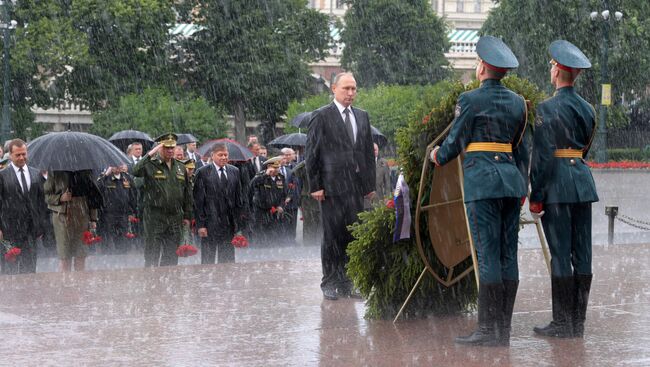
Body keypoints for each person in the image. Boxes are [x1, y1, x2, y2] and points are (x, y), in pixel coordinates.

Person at [429, 36, 528, 346]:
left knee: (486, 256)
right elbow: (519, 146)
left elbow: (454, 142)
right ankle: (503, 330)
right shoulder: (518, 102)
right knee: (507, 255)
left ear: (483, 67)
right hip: (511, 182)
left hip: (482, 182)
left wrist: (436, 155)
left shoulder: (470, 100)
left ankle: (487, 331)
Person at [529, 40, 598, 339]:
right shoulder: (588, 109)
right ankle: (577, 323)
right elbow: (584, 150)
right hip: (582, 184)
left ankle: (561, 323)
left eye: (551, 66)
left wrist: (536, 196)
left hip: (557, 186)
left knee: (560, 255)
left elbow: (543, 157)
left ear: (558, 71)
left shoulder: (546, 108)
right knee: (582, 254)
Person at [305, 72, 376, 301]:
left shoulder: (362, 116)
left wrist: (369, 185)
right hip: (331, 187)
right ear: (334, 88)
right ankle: (330, 281)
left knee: (352, 235)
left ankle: (348, 282)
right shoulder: (321, 116)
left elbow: (366, 153)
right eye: (346, 88)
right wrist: (315, 185)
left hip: (355, 188)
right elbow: (312, 153)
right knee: (332, 236)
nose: (351, 93)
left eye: (354, 88)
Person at [133, 133, 193, 267]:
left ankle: (169, 284)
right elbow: (135, 171)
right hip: (155, 217)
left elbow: (187, 193)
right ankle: (153, 285)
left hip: (175, 217)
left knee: (171, 257)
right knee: (152, 255)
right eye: (166, 147)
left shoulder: (181, 167)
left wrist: (188, 216)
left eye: (172, 148)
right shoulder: (150, 165)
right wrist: (150, 153)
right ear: (160, 148)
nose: (170, 151)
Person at [0, 139, 48, 274]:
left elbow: (41, 202)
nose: (22, 157)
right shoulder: (2, 176)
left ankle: (28, 294)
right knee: (10, 271)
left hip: (31, 231)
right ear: (10, 155)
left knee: (30, 269)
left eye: (24, 154)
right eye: (18, 155)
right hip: (9, 231)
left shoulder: (36, 173)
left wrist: (41, 224)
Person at [193, 143, 245, 264]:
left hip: (228, 223)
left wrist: (238, 225)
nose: (223, 157)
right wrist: (201, 225)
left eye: (226, 155)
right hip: (210, 222)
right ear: (213, 155)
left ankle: (226, 281)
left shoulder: (235, 171)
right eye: (220, 155)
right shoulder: (203, 172)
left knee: (227, 259)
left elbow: (238, 198)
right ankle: (208, 281)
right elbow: (198, 201)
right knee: (208, 260)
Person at [45, 170, 103, 272]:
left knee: (81, 253)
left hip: (82, 214)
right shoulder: (55, 171)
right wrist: (60, 198)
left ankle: (79, 283)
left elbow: (93, 196)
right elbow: (46, 196)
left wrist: (93, 219)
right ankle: (65, 284)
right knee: (65, 255)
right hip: (62, 217)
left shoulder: (86, 170)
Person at [96, 165, 137, 254]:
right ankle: (107, 257)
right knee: (108, 237)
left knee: (123, 237)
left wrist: (132, 211)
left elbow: (132, 195)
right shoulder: (105, 177)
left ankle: (122, 256)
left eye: (119, 165)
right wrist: (106, 174)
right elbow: (97, 187)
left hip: (123, 213)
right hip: (109, 213)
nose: (118, 167)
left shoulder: (126, 177)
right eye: (115, 166)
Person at [249, 157, 288, 245]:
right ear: (269, 167)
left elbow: (284, 194)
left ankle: (272, 254)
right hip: (261, 211)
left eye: (278, 167)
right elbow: (252, 185)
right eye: (275, 168)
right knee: (260, 236)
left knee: (273, 236)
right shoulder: (260, 176)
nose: (277, 170)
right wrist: (265, 175)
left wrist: (281, 206)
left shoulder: (280, 177)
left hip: (274, 212)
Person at [280, 148, 299, 244]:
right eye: (284, 156)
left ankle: (292, 241)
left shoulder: (293, 168)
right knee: (283, 224)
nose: (286, 158)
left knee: (293, 223)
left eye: (288, 155)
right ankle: (283, 242)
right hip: (280, 202)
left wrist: (290, 196)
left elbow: (295, 183)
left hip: (293, 201)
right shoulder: (276, 169)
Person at [364, 143, 392, 209]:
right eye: (371, 150)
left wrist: (387, 198)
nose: (373, 151)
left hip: (379, 199)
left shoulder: (383, 163)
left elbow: (387, 182)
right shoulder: (363, 162)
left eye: (375, 150)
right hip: (366, 201)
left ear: (378, 150)